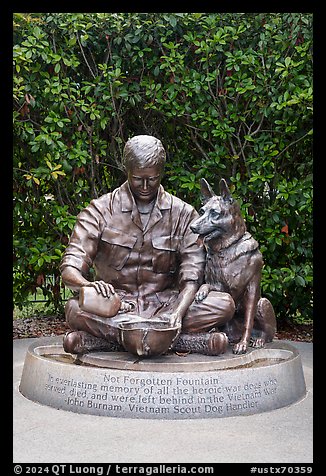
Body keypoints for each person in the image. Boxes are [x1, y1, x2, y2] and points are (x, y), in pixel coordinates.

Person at [60, 135, 235, 355]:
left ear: (160, 173)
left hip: (166, 305)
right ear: (127, 171)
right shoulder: (100, 210)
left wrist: (177, 314)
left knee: (224, 304)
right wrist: (87, 285)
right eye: (138, 179)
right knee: (75, 309)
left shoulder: (182, 214)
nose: (145, 186)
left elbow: (192, 277)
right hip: (116, 307)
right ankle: (174, 340)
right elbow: (70, 267)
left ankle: (118, 340)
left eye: (152, 179)